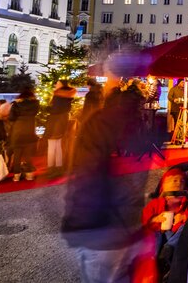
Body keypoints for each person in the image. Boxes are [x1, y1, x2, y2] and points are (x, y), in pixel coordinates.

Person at [62, 88, 149, 283]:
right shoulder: (137, 127)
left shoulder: (100, 124)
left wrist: (78, 224)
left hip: (100, 229)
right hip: (126, 227)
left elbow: (87, 176)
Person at [142, 167, 188, 280]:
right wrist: (155, 219)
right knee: (152, 234)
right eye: (174, 180)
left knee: (186, 228)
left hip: (176, 235)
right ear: (164, 185)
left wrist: (184, 217)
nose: (178, 183)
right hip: (160, 231)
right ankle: (154, 259)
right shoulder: (156, 203)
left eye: (182, 181)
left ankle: (168, 250)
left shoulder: (186, 202)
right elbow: (144, 218)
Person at [8, 87, 40, 181]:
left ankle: (16, 176)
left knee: (17, 155)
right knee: (28, 155)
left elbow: (11, 117)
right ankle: (29, 175)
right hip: (30, 130)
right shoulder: (35, 104)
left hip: (18, 131)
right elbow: (35, 113)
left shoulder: (16, 104)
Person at [46, 79, 76, 177]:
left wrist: (47, 108)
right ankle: (59, 167)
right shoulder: (68, 95)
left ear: (62, 85)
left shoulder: (58, 95)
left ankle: (51, 168)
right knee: (58, 146)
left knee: (51, 146)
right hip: (62, 121)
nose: (56, 84)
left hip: (55, 121)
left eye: (57, 83)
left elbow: (55, 109)